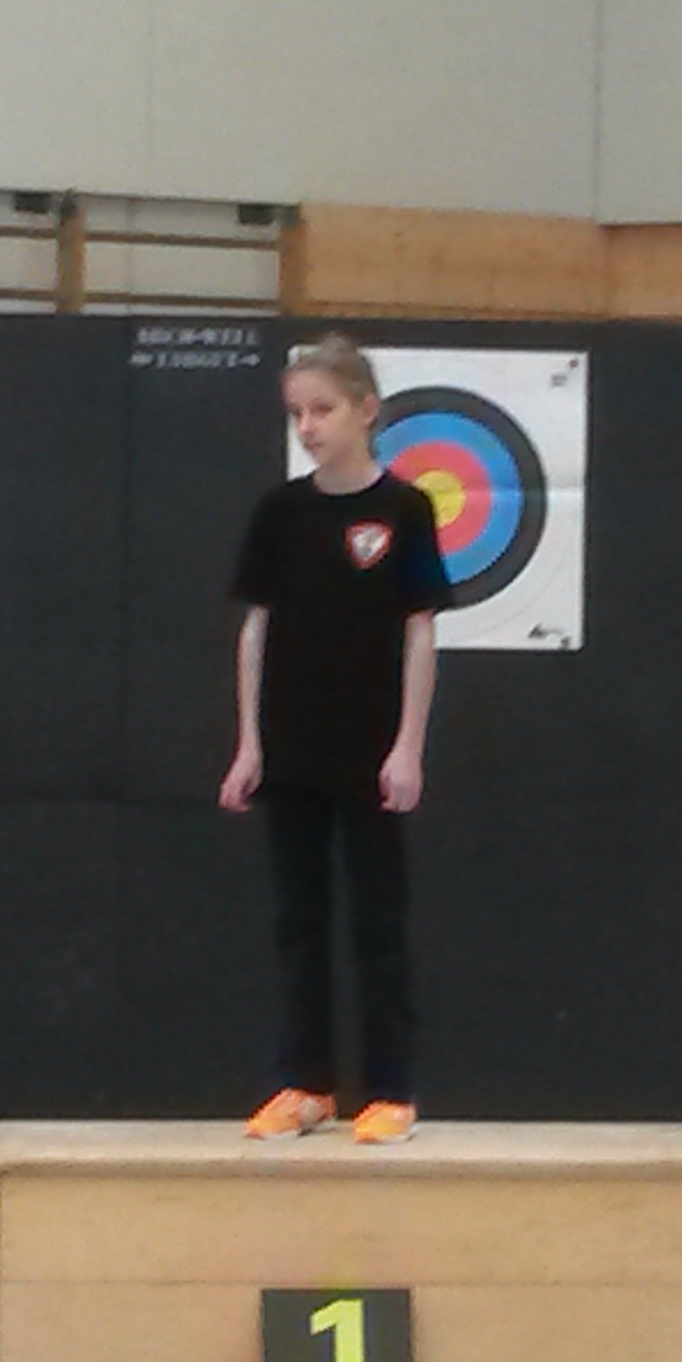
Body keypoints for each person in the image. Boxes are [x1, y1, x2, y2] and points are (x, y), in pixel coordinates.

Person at [221, 334, 453, 1145]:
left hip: (370, 753)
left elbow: (419, 632)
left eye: (323, 410)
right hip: (292, 749)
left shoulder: (405, 510)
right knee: (299, 923)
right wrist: (250, 743)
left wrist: (408, 746)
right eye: (297, 414)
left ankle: (390, 1091)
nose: (309, 427)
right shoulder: (280, 513)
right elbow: (257, 628)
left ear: (366, 410)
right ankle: (306, 1083)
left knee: (377, 925)